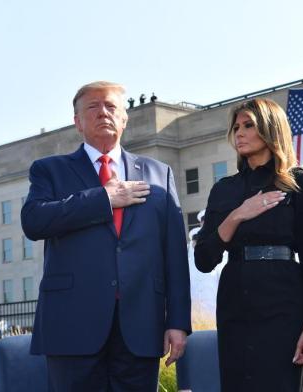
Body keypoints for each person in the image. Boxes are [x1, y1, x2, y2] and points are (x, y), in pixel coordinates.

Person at [21, 81, 191, 392]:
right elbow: (34, 221)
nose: (103, 113)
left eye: (111, 106)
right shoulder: (49, 171)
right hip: (72, 326)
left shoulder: (159, 173)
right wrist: (103, 199)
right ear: (77, 122)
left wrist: (178, 322)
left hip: (141, 325)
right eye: (92, 107)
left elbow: (175, 254)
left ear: (125, 118)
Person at [195, 98, 303, 392]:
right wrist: (237, 215)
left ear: (271, 129)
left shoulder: (298, 181)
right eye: (236, 127)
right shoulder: (224, 190)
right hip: (234, 302)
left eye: (248, 125)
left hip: (285, 303)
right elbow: (204, 259)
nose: (239, 134)